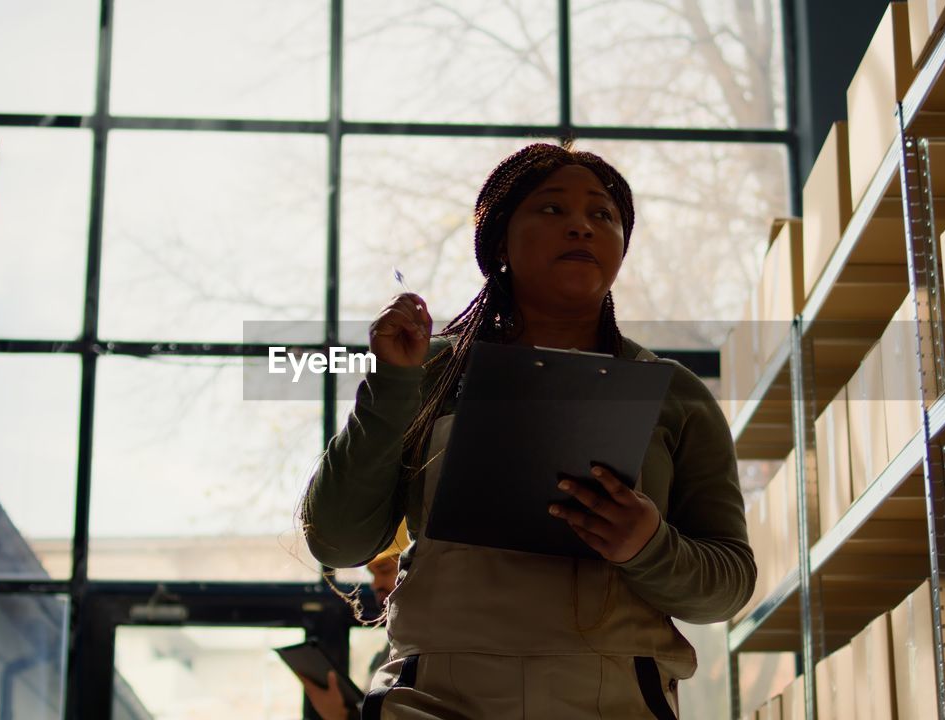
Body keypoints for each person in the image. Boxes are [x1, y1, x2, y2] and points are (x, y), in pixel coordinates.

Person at [300, 142, 754, 719]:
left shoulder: (674, 393)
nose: (582, 227)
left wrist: (648, 546)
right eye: (551, 209)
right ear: (499, 242)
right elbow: (337, 541)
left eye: (603, 215)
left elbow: (730, 584)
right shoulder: (427, 371)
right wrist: (391, 385)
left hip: (614, 700)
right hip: (437, 697)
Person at [295, 536, 402, 720]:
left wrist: (340, 716)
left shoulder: (428, 648)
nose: (375, 584)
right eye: (372, 574)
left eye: (384, 570)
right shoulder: (393, 645)